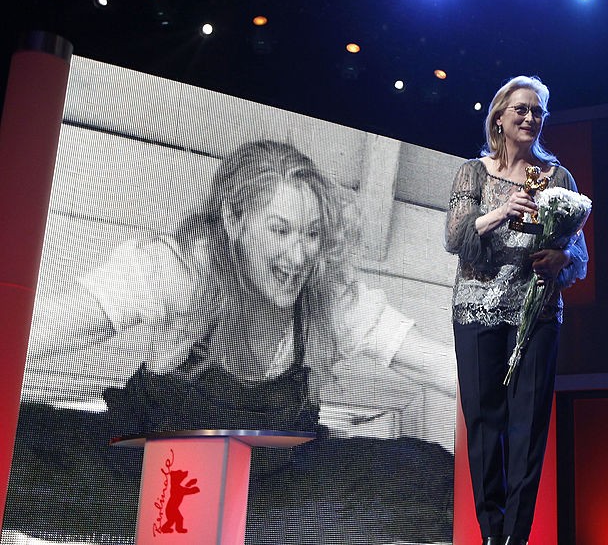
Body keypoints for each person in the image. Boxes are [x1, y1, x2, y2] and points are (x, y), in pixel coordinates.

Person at [14, 139, 455, 543]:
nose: (299, 254)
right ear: (233, 220)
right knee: (19, 449)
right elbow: (44, 327)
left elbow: (438, 365)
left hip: (268, 489)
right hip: (145, 475)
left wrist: (497, 394)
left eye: (312, 234)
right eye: (280, 230)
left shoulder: (331, 301)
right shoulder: (180, 270)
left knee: (429, 477)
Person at [445, 76, 589, 545]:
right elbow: (455, 237)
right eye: (521, 109)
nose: (530, 118)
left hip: (536, 313)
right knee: (483, 422)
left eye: (538, 111)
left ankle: (515, 537)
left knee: (528, 426)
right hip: (477, 309)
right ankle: (491, 533)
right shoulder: (473, 173)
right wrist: (502, 211)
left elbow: (579, 255)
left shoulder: (558, 179)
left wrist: (561, 259)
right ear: (499, 117)